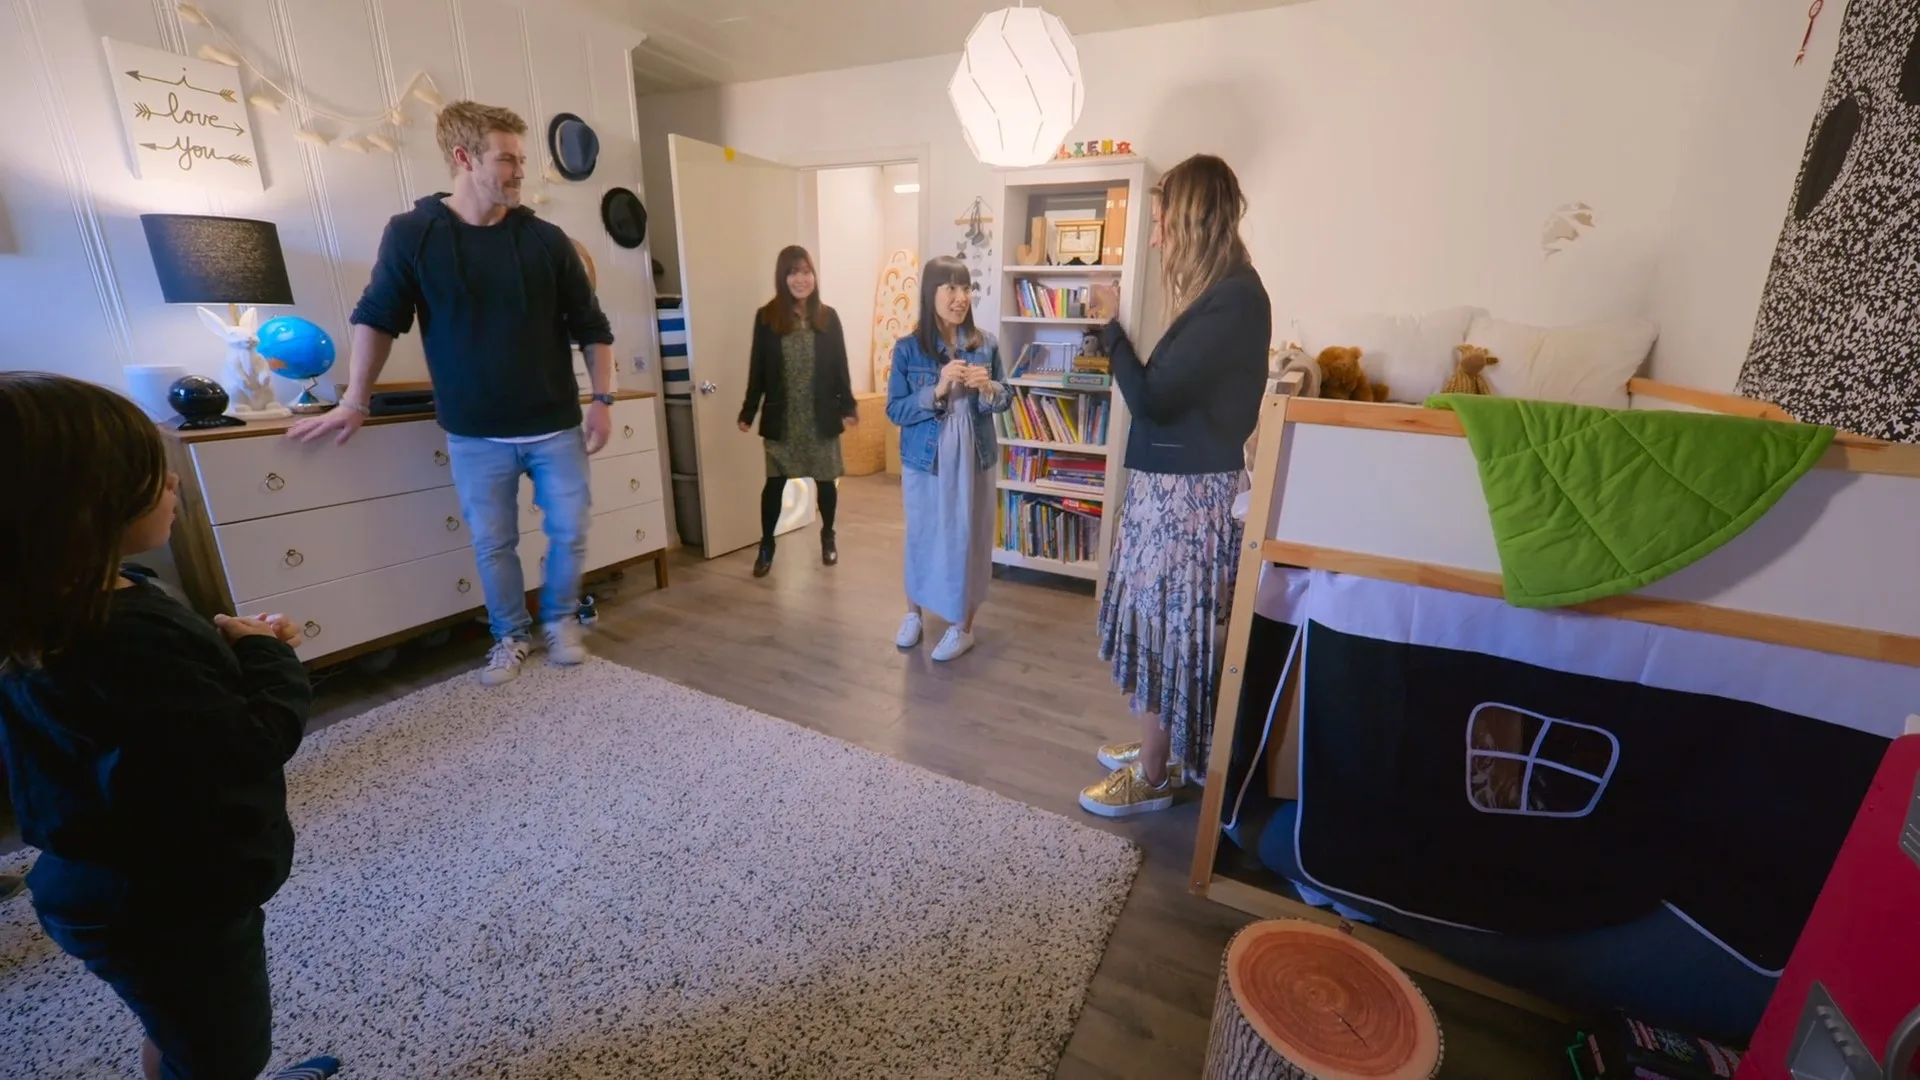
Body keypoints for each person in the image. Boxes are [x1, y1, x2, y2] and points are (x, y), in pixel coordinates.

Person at [0, 372, 340, 1080]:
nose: (174, 483)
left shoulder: (53, 613)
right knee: (222, 1051)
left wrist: (234, 652)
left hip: (108, 882)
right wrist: (270, 657)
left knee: (182, 1027)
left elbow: (162, 731)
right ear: (81, 507)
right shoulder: (125, 638)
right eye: (153, 476)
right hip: (171, 903)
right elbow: (251, 743)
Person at [289, 100, 615, 688]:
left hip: (555, 425)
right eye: (508, 159)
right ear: (464, 158)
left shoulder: (546, 240)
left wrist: (603, 401)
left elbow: (593, 327)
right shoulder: (413, 234)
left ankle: (561, 619)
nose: (520, 171)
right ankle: (509, 636)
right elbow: (377, 318)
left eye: (521, 158)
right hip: (475, 432)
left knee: (570, 531)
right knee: (494, 543)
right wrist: (355, 400)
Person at [1079, 154, 1272, 817]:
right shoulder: (1224, 297)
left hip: (1189, 501)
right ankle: (1162, 750)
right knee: (1161, 624)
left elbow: (1152, 397)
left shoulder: (1234, 301)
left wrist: (1111, 326)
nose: (1157, 238)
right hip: (1175, 493)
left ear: (1192, 220)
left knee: (1169, 631)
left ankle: (1157, 775)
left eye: (1162, 223)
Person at [886, 256, 1012, 662]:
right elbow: (895, 410)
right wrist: (937, 390)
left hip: (974, 456)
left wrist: (989, 389)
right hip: (926, 459)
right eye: (951, 288)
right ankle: (914, 613)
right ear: (931, 293)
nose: (961, 298)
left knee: (969, 537)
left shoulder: (985, 343)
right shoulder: (908, 349)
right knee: (922, 534)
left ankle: (963, 627)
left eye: (966, 288)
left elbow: (1006, 398)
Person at [736, 245, 858, 577]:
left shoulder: (828, 317)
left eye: (806, 271)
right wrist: (749, 410)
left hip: (820, 416)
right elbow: (758, 368)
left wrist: (848, 405)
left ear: (813, 276)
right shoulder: (766, 318)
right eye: (793, 272)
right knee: (774, 484)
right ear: (782, 277)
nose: (800, 279)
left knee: (826, 482)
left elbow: (840, 366)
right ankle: (767, 544)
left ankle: (828, 534)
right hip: (784, 419)